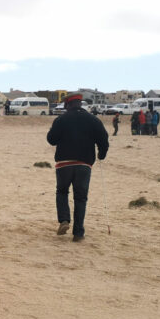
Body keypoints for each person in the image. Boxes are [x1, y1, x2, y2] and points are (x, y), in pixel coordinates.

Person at [46, 94, 109, 242]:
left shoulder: (61, 119)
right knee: (80, 198)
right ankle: (78, 233)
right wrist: (101, 154)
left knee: (62, 192)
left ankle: (64, 220)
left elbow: (51, 140)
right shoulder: (93, 120)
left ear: (68, 105)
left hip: (64, 163)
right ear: (80, 103)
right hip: (84, 164)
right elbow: (103, 139)